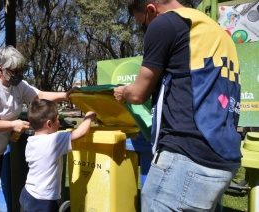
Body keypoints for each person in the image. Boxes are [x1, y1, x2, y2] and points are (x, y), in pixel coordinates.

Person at [114, 0, 242, 211]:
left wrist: (123, 92)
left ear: (151, 10)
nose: (145, 29)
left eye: (142, 23)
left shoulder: (165, 23)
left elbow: (138, 93)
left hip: (186, 156)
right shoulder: (214, 29)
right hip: (223, 158)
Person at [0, 46, 77, 212]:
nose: (20, 74)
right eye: (15, 71)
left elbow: (39, 96)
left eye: (22, 69)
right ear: (0, 69)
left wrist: (65, 95)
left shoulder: (18, 85)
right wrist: (13, 125)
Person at [19, 99, 96, 212]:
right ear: (49, 124)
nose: (59, 122)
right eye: (58, 119)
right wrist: (89, 116)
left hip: (27, 194)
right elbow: (81, 132)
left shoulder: (31, 140)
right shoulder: (53, 141)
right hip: (43, 201)